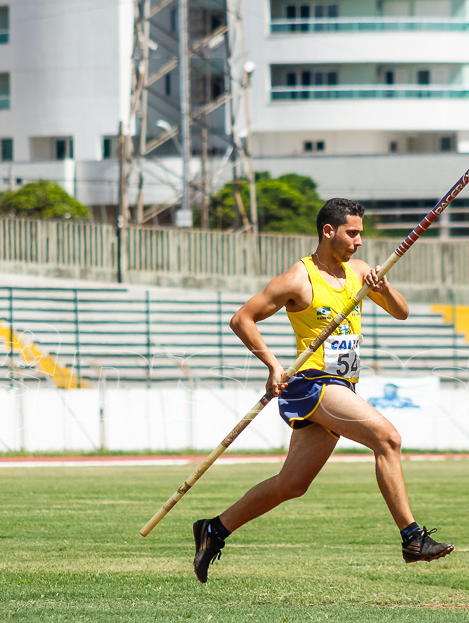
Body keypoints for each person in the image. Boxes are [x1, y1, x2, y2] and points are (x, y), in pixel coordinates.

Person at [192, 197, 454, 583]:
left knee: (292, 484)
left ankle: (213, 529)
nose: (359, 241)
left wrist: (382, 287)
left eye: (361, 233)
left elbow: (401, 311)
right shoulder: (298, 279)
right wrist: (273, 365)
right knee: (388, 439)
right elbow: (241, 318)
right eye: (352, 233)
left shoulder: (360, 272)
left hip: (341, 384)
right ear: (328, 231)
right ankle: (411, 538)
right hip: (311, 383)